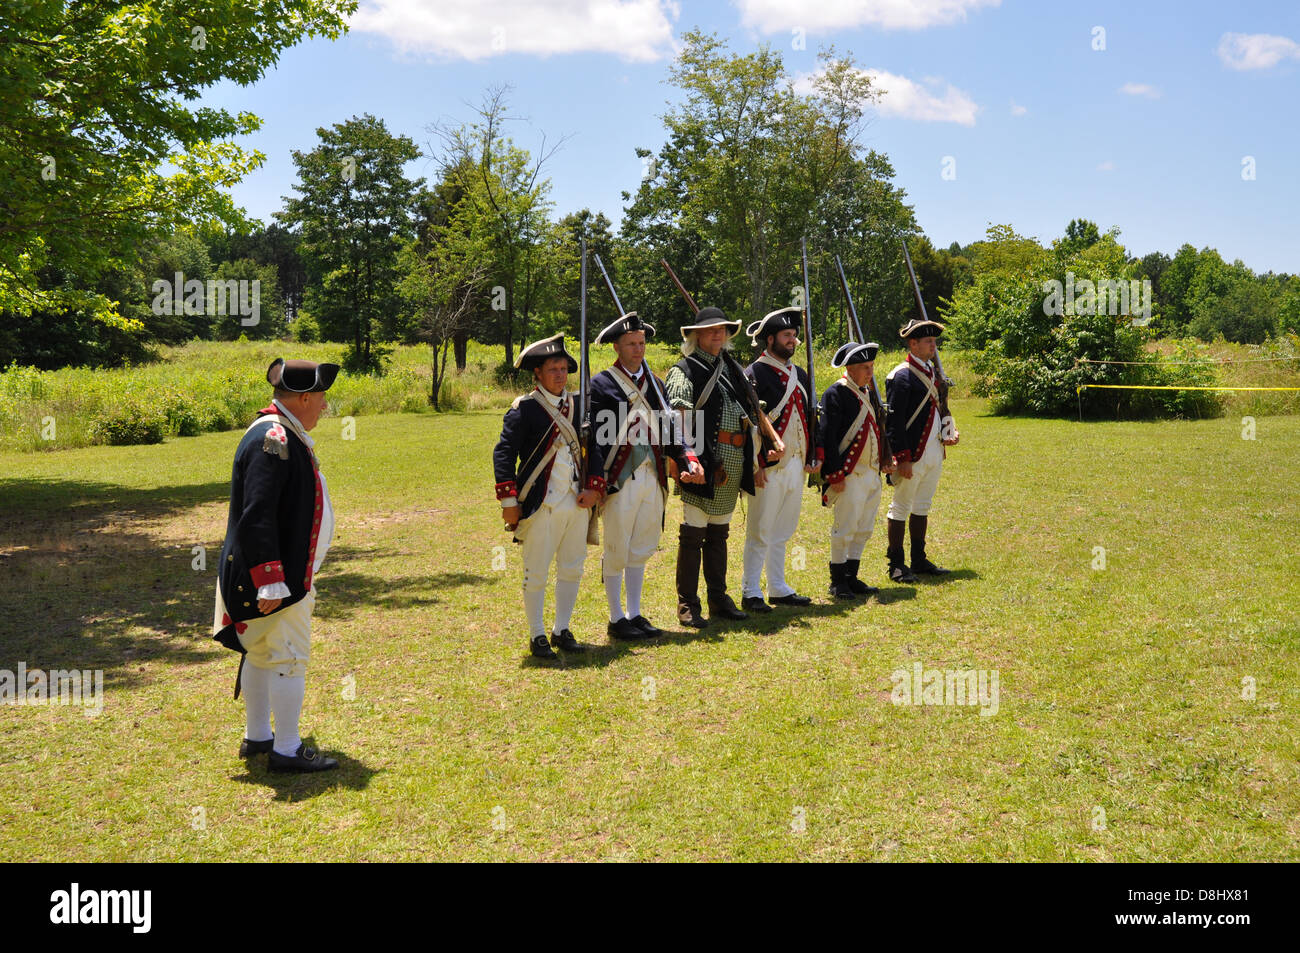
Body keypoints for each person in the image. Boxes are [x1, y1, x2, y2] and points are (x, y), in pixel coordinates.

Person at [212, 357, 341, 772]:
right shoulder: (276, 436)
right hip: (275, 579)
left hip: (270, 574)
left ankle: (258, 736)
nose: (324, 406)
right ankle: (287, 748)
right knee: (286, 659)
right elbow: (259, 511)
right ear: (303, 397)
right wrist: (270, 579)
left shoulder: (280, 430)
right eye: (320, 397)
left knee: (262, 655)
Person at [589, 312, 706, 640]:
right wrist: (596, 481)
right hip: (619, 478)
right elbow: (594, 440)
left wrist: (684, 458)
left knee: (641, 546)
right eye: (631, 343)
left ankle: (635, 612)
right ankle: (616, 618)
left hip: (653, 476)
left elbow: (670, 427)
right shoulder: (601, 384)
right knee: (617, 546)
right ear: (617, 346)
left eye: (641, 343)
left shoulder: (655, 382)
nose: (638, 349)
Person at [494, 334, 606, 660]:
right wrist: (509, 502)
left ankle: (562, 629)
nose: (559, 374)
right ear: (538, 374)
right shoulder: (524, 409)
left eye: (563, 368)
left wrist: (594, 487)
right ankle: (537, 635)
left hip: (576, 501)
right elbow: (503, 455)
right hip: (540, 502)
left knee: (572, 567)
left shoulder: (579, 406)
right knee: (537, 571)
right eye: (552, 369)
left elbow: (593, 449)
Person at [664, 307, 771, 628]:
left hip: (734, 460)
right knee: (693, 533)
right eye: (710, 330)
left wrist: (758, 458)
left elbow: (752, 411)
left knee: (719, 533)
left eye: (722, 330)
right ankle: (688, 603)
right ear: (695, 336)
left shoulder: (733, 369)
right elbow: (678, 415)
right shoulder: (684, 369)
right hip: (702, 459)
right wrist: (687, 459)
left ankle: (718, 598)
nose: (717, 335)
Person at [740, 307, 822, 612]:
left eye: (795, 336)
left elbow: (811, 418)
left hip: (796, 465)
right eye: (787, 336)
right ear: (770, 338)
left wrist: (813, 454)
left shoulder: (799, 374)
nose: (793, 340)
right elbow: (748, 423)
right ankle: (750, 590)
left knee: (783, 529)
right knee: (760, 529)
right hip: (770, 467)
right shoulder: (754, 374)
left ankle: (777, 585)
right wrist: (756, 465)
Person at [884, 319, 960, 583]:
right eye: (928, 341)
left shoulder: (934, 373)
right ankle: (896, 564)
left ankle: (919, 559)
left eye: (934, 341)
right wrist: (902, 458)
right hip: (912, 454)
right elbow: (893, 423)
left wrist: (950, 429)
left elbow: (942, 408)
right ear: (912, 343)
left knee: (923, 506)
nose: (933, 346)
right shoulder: (900, 375)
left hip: (934, 451)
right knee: (901, 507)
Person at [818, 341, 896, 599]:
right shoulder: (835, 393)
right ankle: (837, 580)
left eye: (871, 366)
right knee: (844, 528)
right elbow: (828, 437)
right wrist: (835, 474)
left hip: (870, 474)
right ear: (849, 368)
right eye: (864, 367)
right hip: (849, 475)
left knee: (863, 528)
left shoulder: (868, 392)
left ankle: (852, 577)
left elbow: (878, 430)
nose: (870, 372)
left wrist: (885, 459)